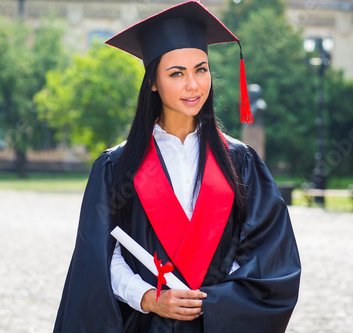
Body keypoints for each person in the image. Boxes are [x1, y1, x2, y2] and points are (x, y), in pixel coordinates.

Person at [53, 1, 301, 332]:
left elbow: (269, 255)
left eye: (201, 69)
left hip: (219, 323)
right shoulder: (117, 166)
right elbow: (98, 258)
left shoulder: (240, 162)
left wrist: (216, 301)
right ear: (153, 82)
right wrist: (146, 296)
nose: (193, 85)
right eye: (176, 73)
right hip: (145, 324)